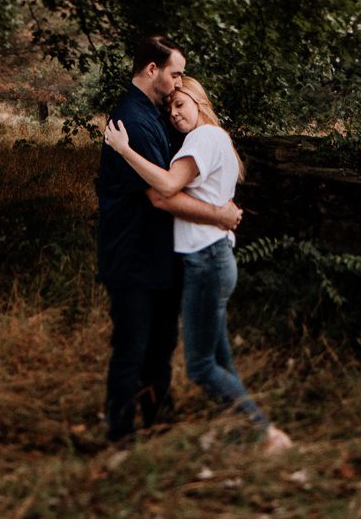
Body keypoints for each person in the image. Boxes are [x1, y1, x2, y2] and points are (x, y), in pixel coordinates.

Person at [105, 74, 293, 452]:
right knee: (221, 361)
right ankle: (248, 432)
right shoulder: (211, 138)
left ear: (199, 102)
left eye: (181, 104)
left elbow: (166, 188)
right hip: (212, 258)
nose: (174, 114)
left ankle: (266, 434)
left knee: (201, 366)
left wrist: (125, 150)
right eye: (170, 109)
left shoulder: (204, 137)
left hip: (206, 261)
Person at [95, 36, 242, 443]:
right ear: (152, 69)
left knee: (159, 347)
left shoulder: (158, 114)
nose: (178, 83)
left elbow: (188, 177)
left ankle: (159, 424)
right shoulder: (132, 120)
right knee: (132, 348)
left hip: (160, 255)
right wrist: (220, 215)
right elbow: (162, 195)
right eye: (175, 74)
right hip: (133, 255)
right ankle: (121, 436)